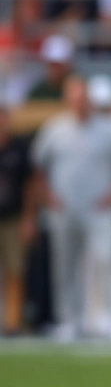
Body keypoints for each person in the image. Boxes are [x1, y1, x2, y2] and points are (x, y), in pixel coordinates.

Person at [28, 76, 111, 342]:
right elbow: (38, 169)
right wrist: (49, 198)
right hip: (64, 209)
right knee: (65, 266)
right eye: (74, 97)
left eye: (83, 96)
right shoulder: (54, 129)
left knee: (108, 262)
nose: (79, 102)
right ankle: (69, 321)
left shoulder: (110, 131)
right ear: (67, 99)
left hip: (100, 210)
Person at [0, 103, 32, 336]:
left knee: (15, 270)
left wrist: (29, 217)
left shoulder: (19, 147)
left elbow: (30, 184)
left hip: (12, 217)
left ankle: (13, 321)